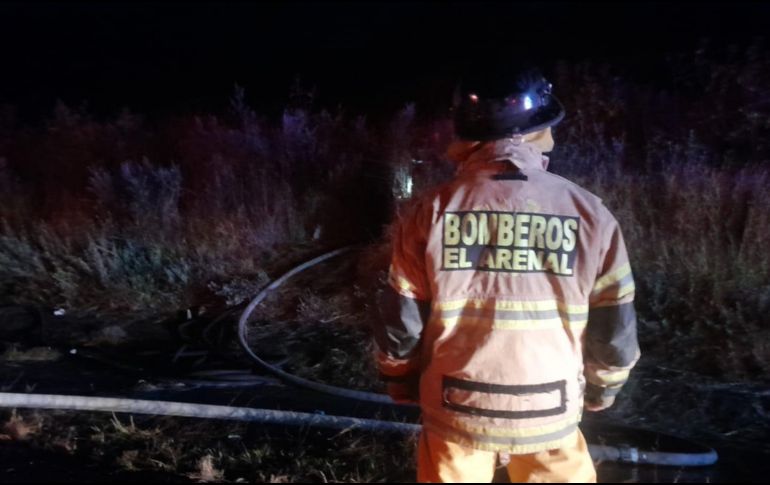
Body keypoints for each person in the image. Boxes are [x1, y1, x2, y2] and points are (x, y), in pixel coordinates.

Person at [373, 68, 640, 483]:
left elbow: (402, 321)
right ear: (534, 132)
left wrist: (398, 380)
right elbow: (615, 326)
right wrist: (604, 387)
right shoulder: (590, 213)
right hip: (549, 410)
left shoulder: (428, 211)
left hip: (454, 408)